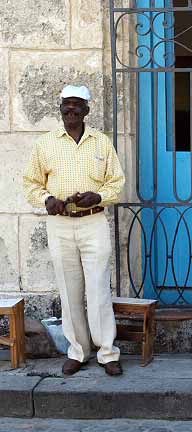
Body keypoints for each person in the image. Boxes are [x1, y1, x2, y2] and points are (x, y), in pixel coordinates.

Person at [23, 85, 126, 376]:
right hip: (60, 224)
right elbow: (31, 183)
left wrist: (99, 197)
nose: (71, 110)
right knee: (70, 292)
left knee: (98, 290)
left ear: (87, 110)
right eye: (66, 105)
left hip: (93, 222)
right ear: (60, 109)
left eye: (77, 105)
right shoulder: (45, 144)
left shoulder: (101, 142)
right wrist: (48, 200)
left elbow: (116, 182)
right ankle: (78, 351)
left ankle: (108, 353)